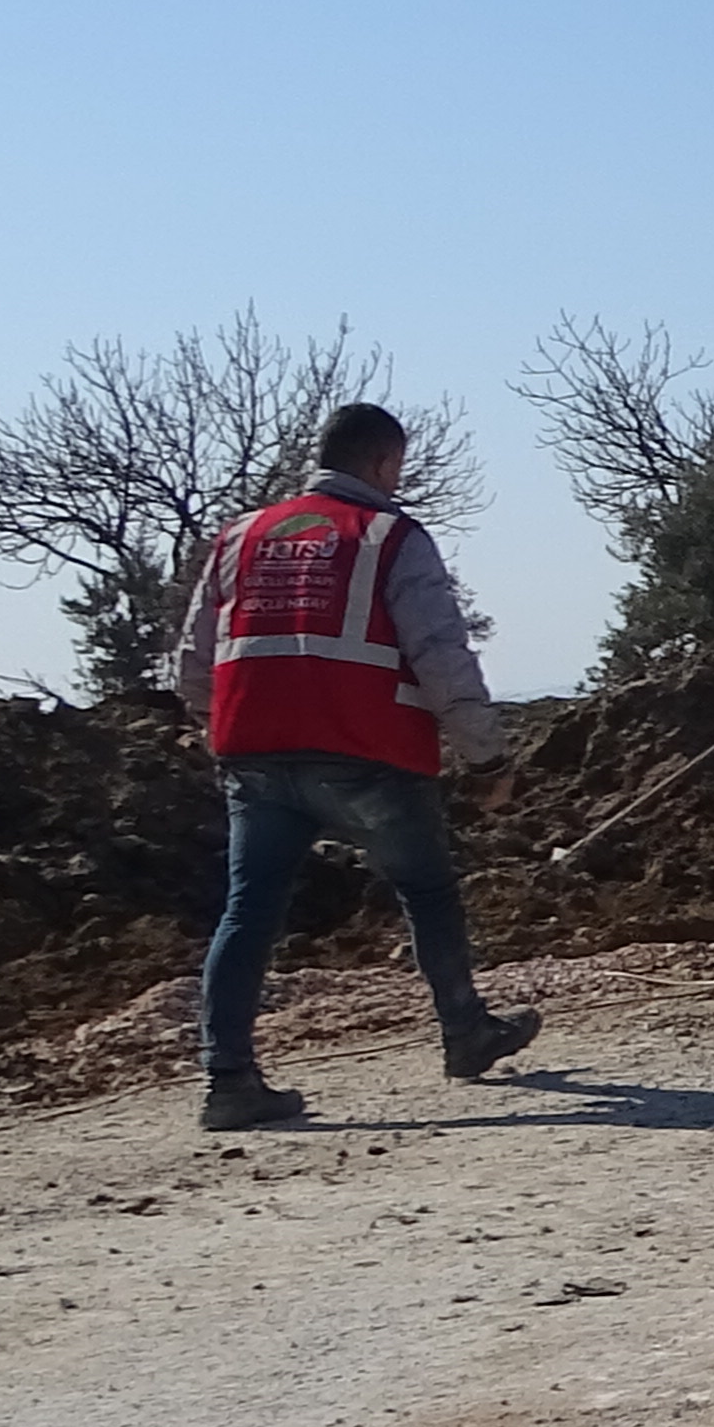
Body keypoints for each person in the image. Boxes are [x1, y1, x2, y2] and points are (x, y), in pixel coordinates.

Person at [167, 402, 533, 1129]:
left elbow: (193, 666)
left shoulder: (241, 535)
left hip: (257, 755)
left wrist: (227, 721)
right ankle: (465, 1032)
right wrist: (486, 755)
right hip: (370, 753)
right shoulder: (392, 537)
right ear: (383, 463)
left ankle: (229, 1080)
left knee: (248, 912)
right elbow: (440, 655)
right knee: (426, 889)